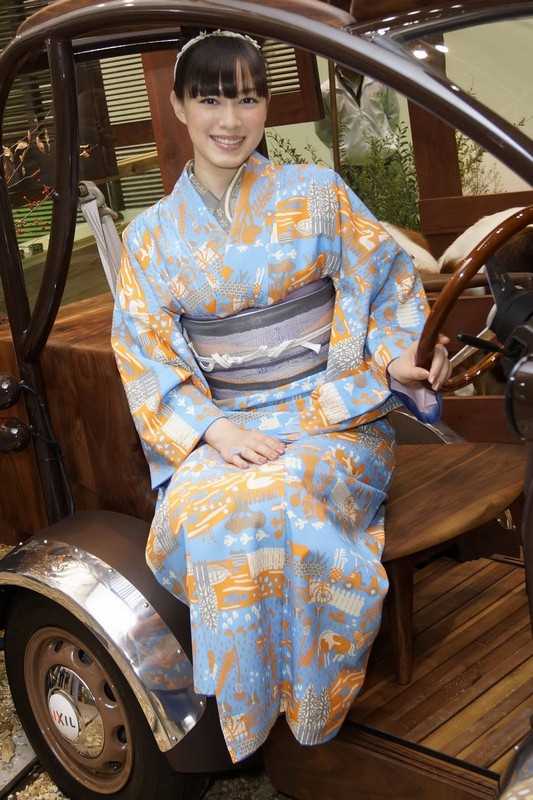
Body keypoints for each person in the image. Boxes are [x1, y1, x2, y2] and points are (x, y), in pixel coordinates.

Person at [111, 30, 450, 763]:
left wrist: (399, 358)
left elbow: (386, 286)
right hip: (226, 427)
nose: (230, 120)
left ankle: (314, 711)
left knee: (287, 495)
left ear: (265, 106)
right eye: (210, 100)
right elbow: (145, 353)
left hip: (333, 417)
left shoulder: (316, 194)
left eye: (246, 98)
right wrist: (214, 432)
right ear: (178, 106)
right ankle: (254, 716)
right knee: (212, 514)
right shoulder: (150, 239)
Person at [315, 66, 401, 166]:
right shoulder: (326, 91)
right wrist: (344, 149)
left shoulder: (379, 81)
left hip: (388, 159)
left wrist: (385, 136)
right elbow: (323, 130)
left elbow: (393, 114)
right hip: (351, 166)